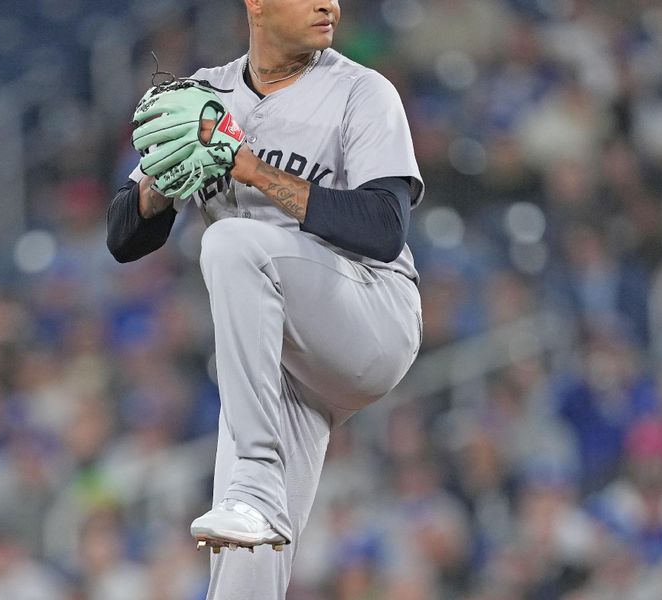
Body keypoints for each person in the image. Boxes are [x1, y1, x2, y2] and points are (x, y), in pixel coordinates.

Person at [106, 0, 424, 597]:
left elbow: (385, 228)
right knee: (242, 556)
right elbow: (122, 237)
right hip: (277, 364)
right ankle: (253, 495)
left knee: (231, 241)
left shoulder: (362, 91)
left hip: (369, 316)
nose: (329, 3)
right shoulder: (204, 96)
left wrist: (248, 167)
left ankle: (254, 476)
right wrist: (158, 182)